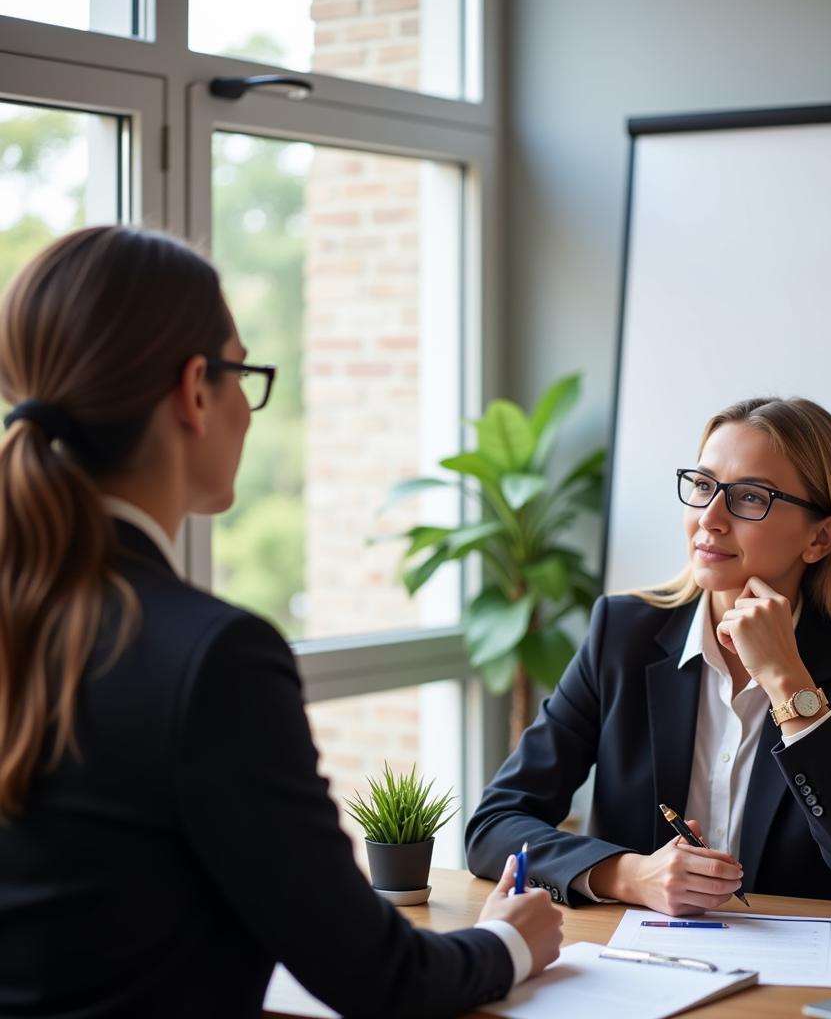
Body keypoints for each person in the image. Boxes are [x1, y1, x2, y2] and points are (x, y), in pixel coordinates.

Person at [0, 225, 562, 1019]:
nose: (248, 409)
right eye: (242, 373)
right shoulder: (210, 658)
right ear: (195, 390)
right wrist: (511, 940)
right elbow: (378, 976)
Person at [466, 396, 831, 916]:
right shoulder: (621, 635)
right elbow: (495, 823)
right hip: (638, 965)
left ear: (819, 538)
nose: (709, 518)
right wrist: (631, 875)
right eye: (704, 486)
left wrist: (788, 683)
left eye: (751, 497)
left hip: (795, 980)